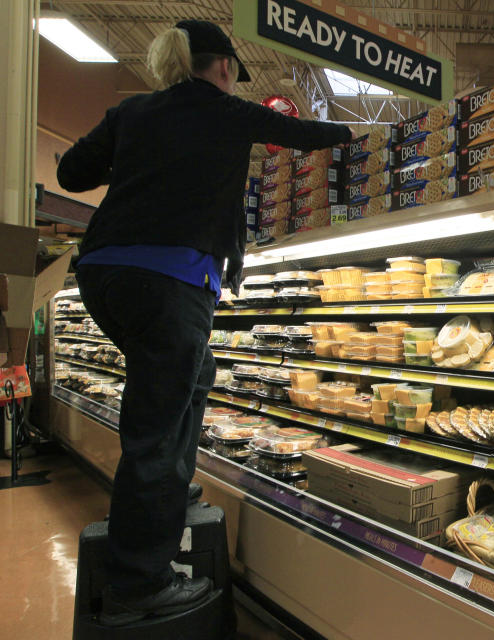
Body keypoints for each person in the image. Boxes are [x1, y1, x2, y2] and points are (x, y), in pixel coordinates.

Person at [57, 20, 351, 627]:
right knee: (157, 425)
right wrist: (365, 131)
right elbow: (311, 135)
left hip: (104, 274)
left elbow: (72, 175)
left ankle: (167, 495)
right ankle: (140, 582)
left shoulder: (133, 112)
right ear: (222, 68)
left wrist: (142, 161)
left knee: (193, 378)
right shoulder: (227, 111)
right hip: (169, 280)